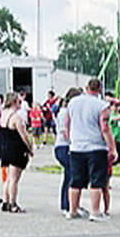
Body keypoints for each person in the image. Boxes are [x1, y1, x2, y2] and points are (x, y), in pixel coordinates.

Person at [66, 78, 116, 222]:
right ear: (100, 89)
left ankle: (72, 210)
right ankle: (95, 211)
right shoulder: (102, 105)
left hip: (76, 146)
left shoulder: (73, 103)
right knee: (96, 181)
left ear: (87, 87)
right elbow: (105, 128)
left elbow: (67, 124)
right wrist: (111, 147)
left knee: (75, 181)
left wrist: (71, 140)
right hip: (95, 146)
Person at [0, 92, 34, 213]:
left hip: (5, 148)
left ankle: (5, 200)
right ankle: (13, 203)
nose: (20, 104)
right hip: (15, 149)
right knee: (14, 179)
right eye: (19, 101)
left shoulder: (3, 115)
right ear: (14, 102)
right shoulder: (16, 117)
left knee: (8, 178)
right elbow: (23, 135)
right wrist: (29, 147)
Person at [53, 87, 81, 216]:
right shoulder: (65, 112)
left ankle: (70, 203)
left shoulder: (65, 111)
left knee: (69, 175)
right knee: (71, 175)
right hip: (64, 146)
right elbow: (65, 131)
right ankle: (67, 204)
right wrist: (73, 142)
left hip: (64, 146)